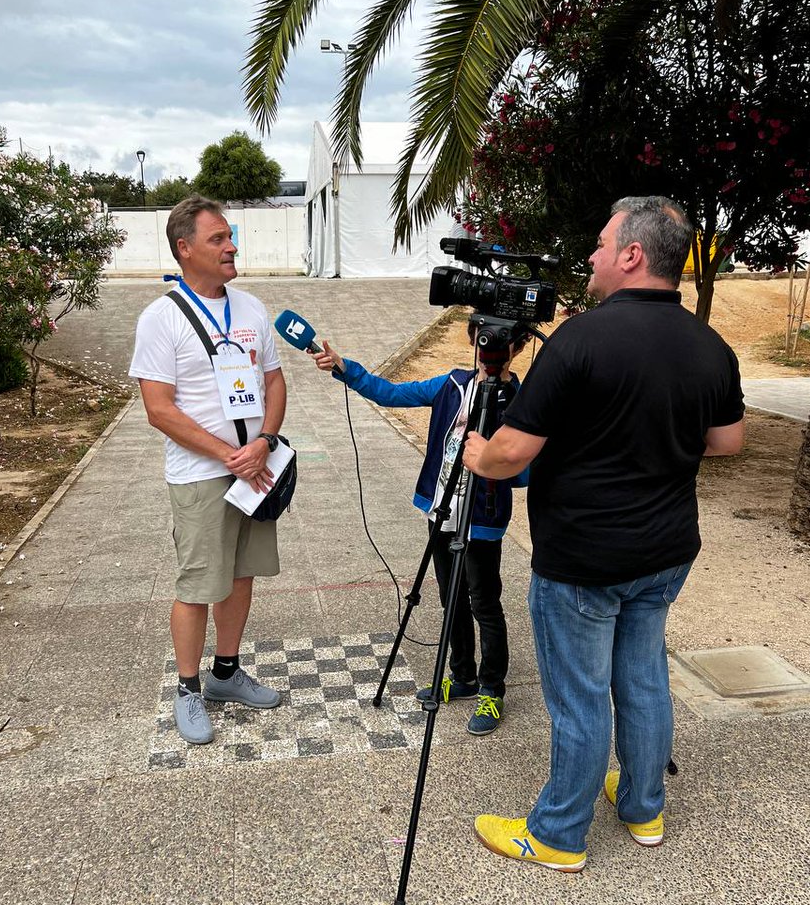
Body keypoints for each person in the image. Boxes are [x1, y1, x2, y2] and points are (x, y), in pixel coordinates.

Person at [463, 195, 745, 870]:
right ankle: (644, 806)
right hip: (666, 551)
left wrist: (475, 452)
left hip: (583, 558)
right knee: (643, 677)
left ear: (632, 255)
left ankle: (558, 832)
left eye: (599, 243)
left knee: (581, 696)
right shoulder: (710, 344)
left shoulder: (580, 341)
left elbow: (508, 454)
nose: (589, 256)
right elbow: (728, 442)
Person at [312, 323, 530, 735]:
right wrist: (345, 368)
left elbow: (523, 474)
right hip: (442, 511)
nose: (488, 347)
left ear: (517, 348)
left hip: (481, 521)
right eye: (481, 336)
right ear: (471, 340)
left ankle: (492, 689)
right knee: (452, 600)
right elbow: (391, 393)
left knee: (485, 604)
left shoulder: (521, 403)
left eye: (499, 340)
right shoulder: (450, 385)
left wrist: (502, 440)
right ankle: (462, 676)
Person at [129, 195, 287, 745]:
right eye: (218, 239)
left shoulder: (251, 308)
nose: (231, 247)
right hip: (202, 474)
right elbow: (159, 409)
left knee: (241, 573)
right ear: (185, 248)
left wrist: (264, 441)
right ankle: (189, 689)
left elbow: (272, 380)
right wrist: (228, 456)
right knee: (199, 583)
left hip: (257, 466)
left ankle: (225, 673)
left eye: (230, 236)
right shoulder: (160, 318)